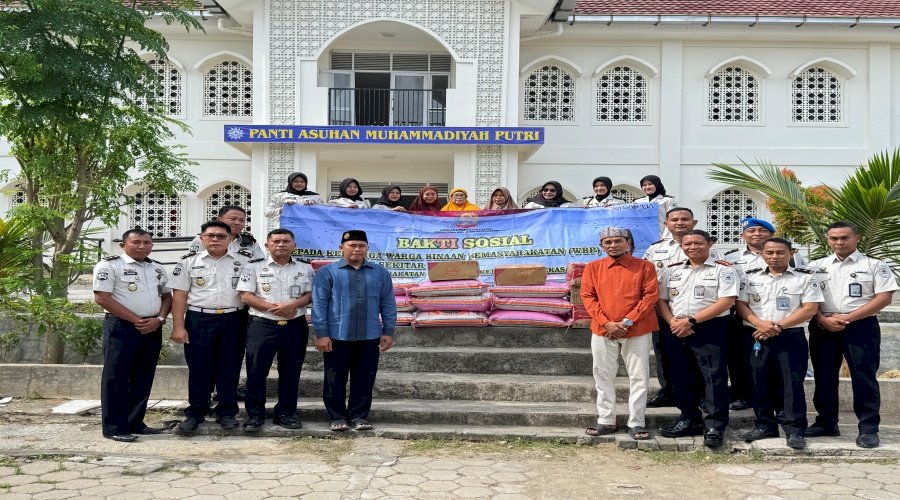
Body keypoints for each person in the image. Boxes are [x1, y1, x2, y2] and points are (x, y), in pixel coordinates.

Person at [806, 221, 898, 448]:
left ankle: (868, 428)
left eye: (844, 237)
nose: (839, 242)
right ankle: (826, 422)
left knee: (863, 376)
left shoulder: (874, 265)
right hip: (823, 325)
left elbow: (883, 298)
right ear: (828, 240)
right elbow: (806, 297)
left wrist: (847, 318)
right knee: (824, 375)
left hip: (860, 327)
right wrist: (821, 319)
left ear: (857, 237)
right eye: (834, 238)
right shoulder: (816, 266)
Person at [736, 237, 823, 450]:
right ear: (762, 255)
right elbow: (741, 305)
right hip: (757, 336)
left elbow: (810, 308)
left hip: (790, 337)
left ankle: (794, 430)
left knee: (791, 384)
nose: (775, 257)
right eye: (770, 253)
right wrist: (760, 324)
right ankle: (765, 425)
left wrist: (777, 326)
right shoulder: (749, 277)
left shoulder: (805, 278)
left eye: (780, 252)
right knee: (758, 382)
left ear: (791, 253)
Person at [657, 229, 739, 447]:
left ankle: (715, 425)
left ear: (709, 244)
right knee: (681, 376)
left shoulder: (724, 270)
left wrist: (691, 321)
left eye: (698, 243)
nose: (693, 247)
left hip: (710, 328)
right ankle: (688, 419)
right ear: (682, 247)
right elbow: (662, 301)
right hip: (676, 328)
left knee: (713, 378)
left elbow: (727, 301)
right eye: (688, 244)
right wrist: (673, 322)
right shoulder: (671, 271)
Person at [170, 221, 252, 435]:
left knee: (230, 367)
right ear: (201, 238)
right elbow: (179, 296)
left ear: (229, 239)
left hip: (234, 318)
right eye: (210, 236)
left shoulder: (245, 261)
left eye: (220, 236)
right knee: (199, 368)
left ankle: (226, 412)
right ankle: (196, 412)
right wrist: (178, 326)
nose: (215, 239)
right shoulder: (188, 262)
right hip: (199, 319)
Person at [312, 230, 397, 432]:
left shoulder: (380, 272)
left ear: (367, 248)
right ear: (342, 247)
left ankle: (359, 415)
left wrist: (389, 331)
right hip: (336, 335)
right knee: (334, 378)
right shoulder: (328, 272)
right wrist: (322, 333)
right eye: (352, 245)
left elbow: (388, 303)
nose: (357, 249)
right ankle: (337, 416)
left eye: (361, 245)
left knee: (365, 378)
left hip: (370, 334)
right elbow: (319, 304)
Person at [93, 229, 171, 442]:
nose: (142, 246)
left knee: (143, 376)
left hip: (152, 326)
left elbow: (167, 296)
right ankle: (115, 428)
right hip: (122, 327)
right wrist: (137, 320)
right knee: (116, 377)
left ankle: (135, 422)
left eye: (147, 242)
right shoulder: (109, 265)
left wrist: (160, 319)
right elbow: (102, 298)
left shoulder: (156, 267)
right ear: (123, 245)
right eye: (136, 242)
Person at [581, 227, 659, 440]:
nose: (613, 245)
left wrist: (625, 322)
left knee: (639, 377)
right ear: (602, 246)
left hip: (637, 329)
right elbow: (588, 297)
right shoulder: (593, 267)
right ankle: (606, 420)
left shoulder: (645, 266)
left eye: (618, 241)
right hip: (602, 330)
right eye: (608, 242)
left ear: (628, 243)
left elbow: (650, 296)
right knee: (603, 375)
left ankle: (636, 422)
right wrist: (607, 323)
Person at [642, 207, 721, 408]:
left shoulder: (708, 248)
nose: (679, 223)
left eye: (685, 219)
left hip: (700, 314)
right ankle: (668, 391)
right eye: (674, 219)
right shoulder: (655, 249)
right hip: (664, 310)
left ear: (693, 222)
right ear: (666, 224)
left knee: (699, 359)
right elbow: (644, 276)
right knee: (665, 355)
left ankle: (703, 396)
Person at [237, 229, 313, 431]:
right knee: (256, 372)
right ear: (268, 245)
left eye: (286, 241)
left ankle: (286, 414)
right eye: (276, 241)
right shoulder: (253, 267)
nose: (281, 244)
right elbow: (246, 296)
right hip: (262, 325)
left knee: (290, 372)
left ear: (294, 245)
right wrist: (277, 309)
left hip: (294, 326)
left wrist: (292, 307)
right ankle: (254, 415)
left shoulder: (305, 268)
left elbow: (309, 295)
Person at [723, 217, 778, 411]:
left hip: (775, 315)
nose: (757, 234)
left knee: (774, 362)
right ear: (743, 235)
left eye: (762, 231)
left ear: (771, 234)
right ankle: (742, 395)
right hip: (741, 313)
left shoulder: (788, 254)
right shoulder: (731, 257)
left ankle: (772, 399)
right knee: (739, 358)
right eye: (751, 231)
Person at [188, 205, 265, 260]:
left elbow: (261, 263)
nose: (237, 223)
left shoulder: (249, 241)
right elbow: (193, 262)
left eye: (241, 220)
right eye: (233, 219)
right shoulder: (203, 239)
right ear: (219, 219)